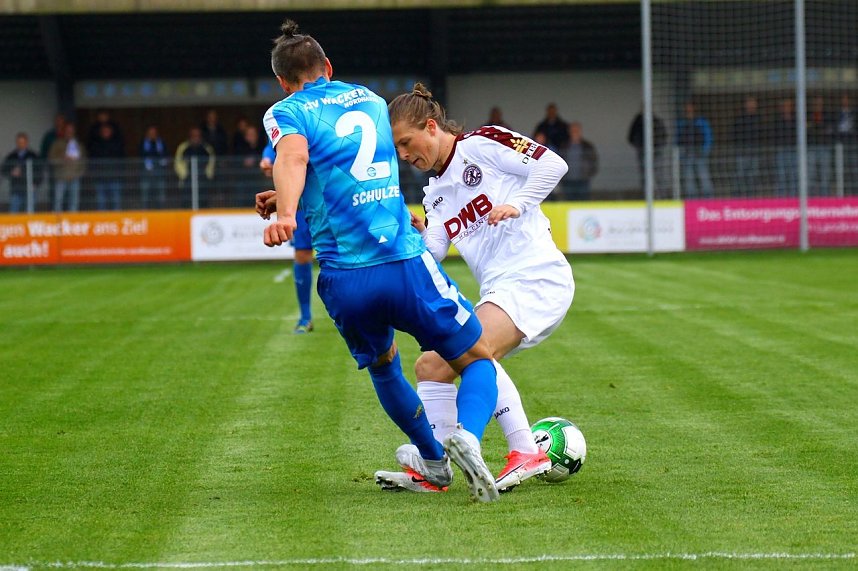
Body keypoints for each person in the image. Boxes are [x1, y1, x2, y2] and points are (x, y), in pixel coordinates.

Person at [256, 20, 502, 502]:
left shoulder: (286, 111)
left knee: (385, 366)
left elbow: (296, 159)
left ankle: (432, 461)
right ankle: (468, 438)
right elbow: (359, 164)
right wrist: (293, 200)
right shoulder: (369, 99)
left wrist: (287, 211)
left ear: (284, 83)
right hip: (403, 262)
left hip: (346, 277)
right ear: (328, 67)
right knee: (477, 360)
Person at [375, 84, 574, 493]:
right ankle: (437, 468)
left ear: (431, 127)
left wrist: (517, 204)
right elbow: (433, 254)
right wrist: (418, 236)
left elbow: (553, 165)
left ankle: (525, 449)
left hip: (537, 276)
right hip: (500, 289)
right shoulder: (435, 196)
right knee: (431, 365)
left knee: (474, 348)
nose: (403, 156)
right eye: (396, 149)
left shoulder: (482, 143)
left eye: (405, 143)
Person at [260, 141, 314, 333]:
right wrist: (267, 159)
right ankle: (305, 317)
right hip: (299, 197)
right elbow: (274, 144)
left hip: (331, 194)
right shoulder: (290, 114)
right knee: (302, 253)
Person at [675, 101, 714, 198]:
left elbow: (708, 136)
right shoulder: (681, 122)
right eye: (687, 107)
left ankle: (708, 196)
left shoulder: (701, 121)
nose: (689, 109)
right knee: (688, 177)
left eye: (691, 107)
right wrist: (679, 152)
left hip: (699, 151)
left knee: (703, 175)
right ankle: (691, 197)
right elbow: (677, 137)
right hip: (686, 152)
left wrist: (705, 149)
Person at [627, 108, 668, 196]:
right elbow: (631, 135)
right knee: (645, 174)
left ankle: (661, 195)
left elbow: (663, 135)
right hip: (643, 150)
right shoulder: (638, 121)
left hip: (655, 150)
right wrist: (638, 145)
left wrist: (658, 146)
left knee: (657, 173)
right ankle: (647, 195)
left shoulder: (656, 121)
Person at [48, 123, 86, 212]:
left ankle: (72, 221)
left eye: (71, 130)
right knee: (58, 201)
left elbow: (83, 160)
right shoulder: (57, 144)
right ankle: (57, 222)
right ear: (64, 131)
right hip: (61, 176)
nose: (70, 132)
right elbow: (51, 159)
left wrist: (79, 174)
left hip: (75, 177)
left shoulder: (79, 145)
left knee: (74, 202)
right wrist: (62, 158)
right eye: (68, 130)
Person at [174, 127, 216, 208]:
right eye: (193, 135)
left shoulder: (207, 148)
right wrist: (184, 175)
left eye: (197, 135)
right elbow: (178, 162)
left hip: (202, 180)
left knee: (203, 203)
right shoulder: (183, 147)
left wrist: (207, 175)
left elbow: (211, 162)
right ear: (190, 136)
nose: (196, 138)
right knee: (186, 203)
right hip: (187, 181)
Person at [89, 122, 126, 210]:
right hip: (100, 178)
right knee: (101, 202)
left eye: (107, 131)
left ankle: (116, 219)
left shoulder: (117, 143)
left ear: (111, 132)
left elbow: (122, 158)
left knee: (116, 202)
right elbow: (93, 159)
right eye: (104, 131)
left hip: (115, 177)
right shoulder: (96, 144)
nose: (106, 133)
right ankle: (103, 221)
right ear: (101, 132)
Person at [559, 122, 598, 200]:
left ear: (580, 132)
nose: (575, 133)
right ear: (569, 132)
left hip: (583, 180)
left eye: (577, 131)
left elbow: (593, 161)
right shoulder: (564, 146)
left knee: (583, 202)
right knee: (568, 202)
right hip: (568, 180)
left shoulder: (587, 146)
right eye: (573, 131)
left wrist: (588, 174)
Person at [732, 95, 762, 196]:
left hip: (754, 151)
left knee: (753, 175)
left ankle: (752, 196)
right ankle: (738, 196)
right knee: (740, 174)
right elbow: (734, 133)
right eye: (749, 103)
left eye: (753, 103)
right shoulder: (740, 118)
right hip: (742, 151)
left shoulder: (759, 118)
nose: (751, 105)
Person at [2, 132, 40, 213]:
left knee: (30, 212)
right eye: (19, 142)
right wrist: (11, 172)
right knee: (13, 211)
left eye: (23, 142)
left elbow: (40, 171)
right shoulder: (11, 156)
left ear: (27, 142)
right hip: (16, 189)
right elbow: (3, 170)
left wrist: (35, 184)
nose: (21, 144)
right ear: (16, 142)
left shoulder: (33, 155)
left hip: (30, 189)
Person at [139, 125, 169, 209]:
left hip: (159, 172)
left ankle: (160, 212)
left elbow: (164, 155)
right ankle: (145, 211)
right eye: (150, 133)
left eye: (154, 133)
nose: (152, 135)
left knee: (160, 194)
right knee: (145, 195)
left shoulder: (161, 143)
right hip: (146, 172)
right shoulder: (143, 143)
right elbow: (142, 155)